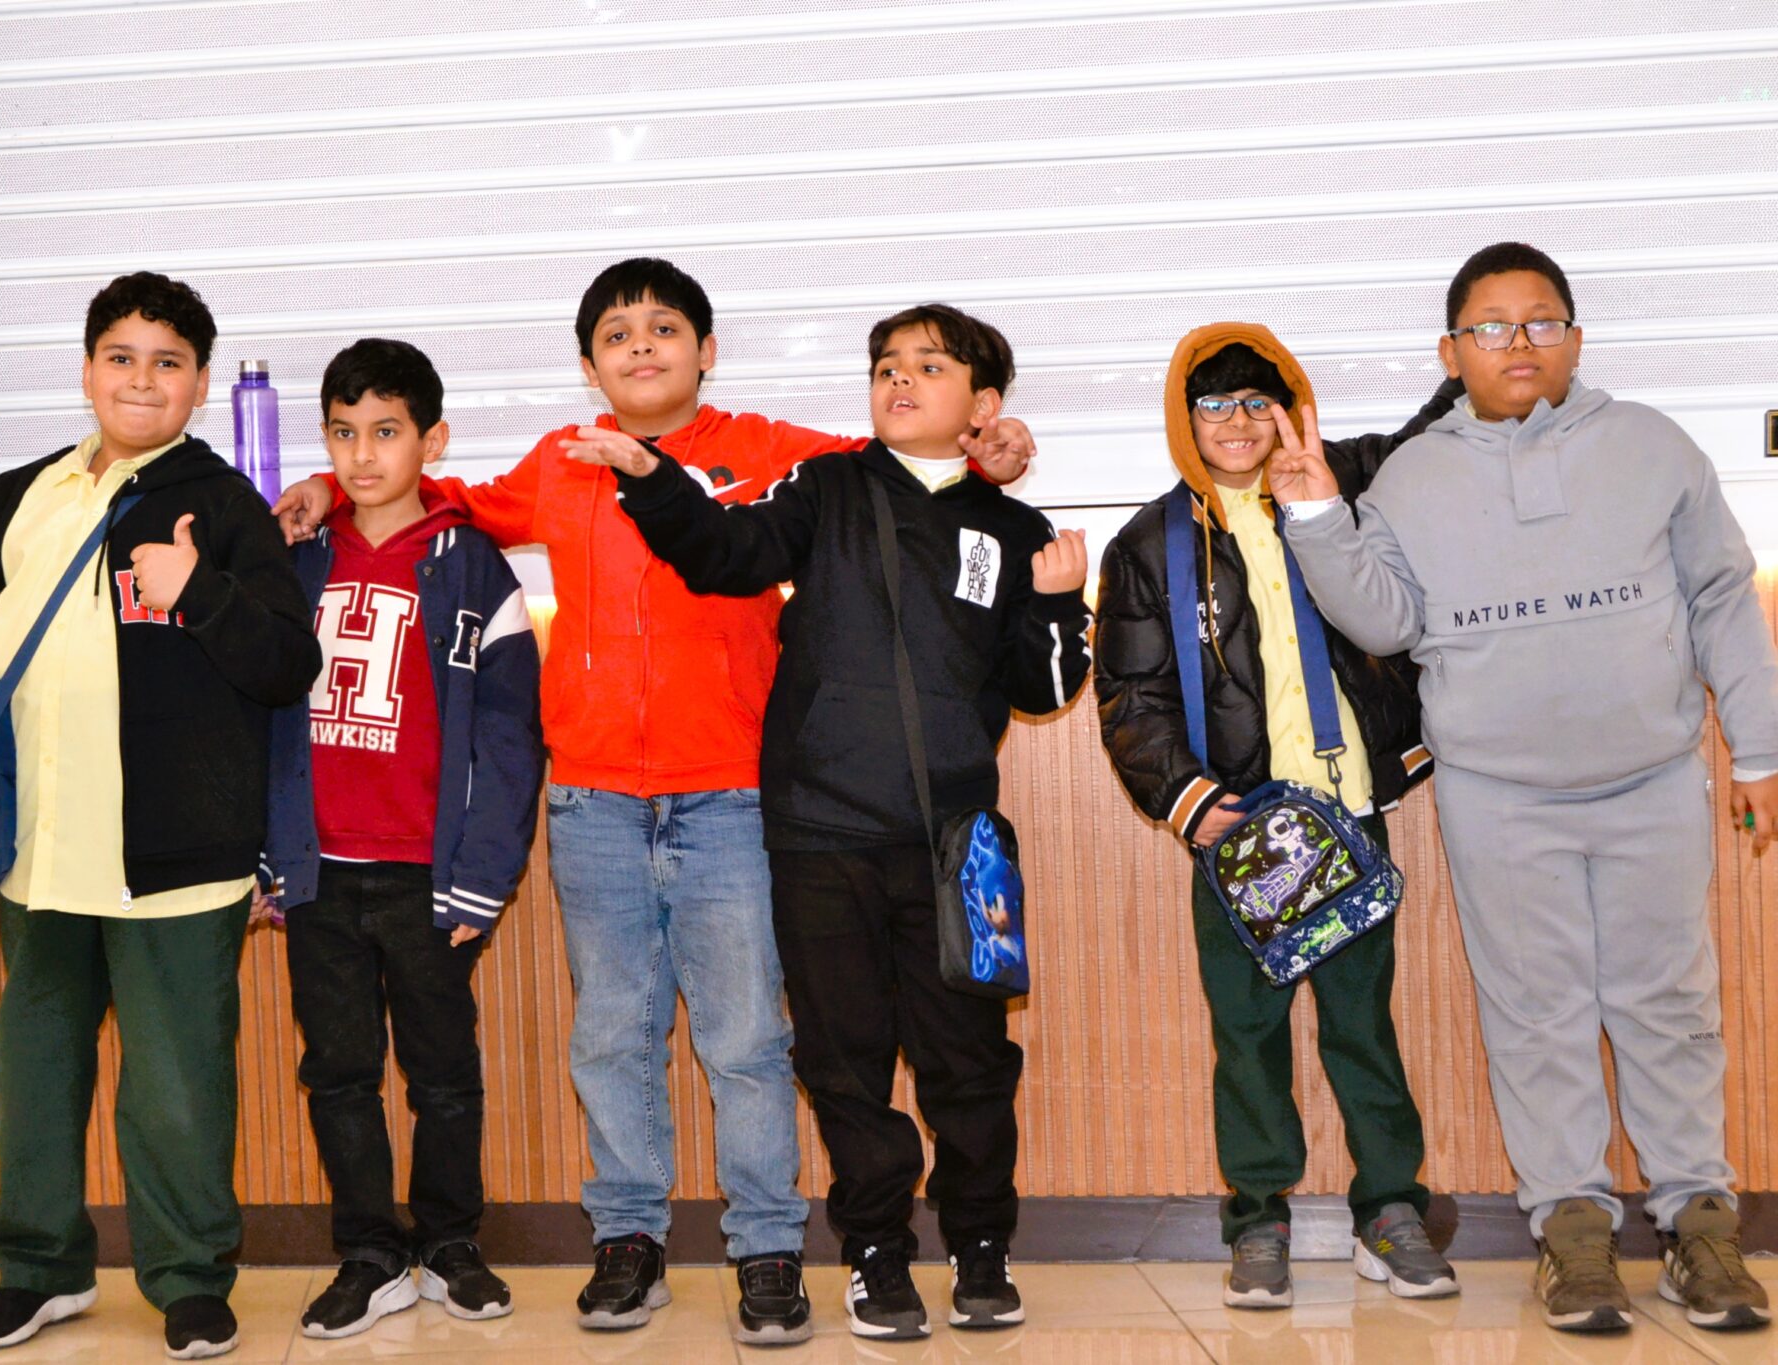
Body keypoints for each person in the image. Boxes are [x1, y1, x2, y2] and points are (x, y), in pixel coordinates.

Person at [270, 258, 1035, 1345]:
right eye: (616, 335)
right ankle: (628, 1241)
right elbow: (446, 498)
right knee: (612, 1037)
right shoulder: (563, 458)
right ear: (589, 367)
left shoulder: (772, 451)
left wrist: (994, 451)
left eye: (663, 328)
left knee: (747, 1040)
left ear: (705, 350)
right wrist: (322, 483)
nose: (640, 346)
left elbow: (905, 466)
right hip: (592, 800)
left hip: (732, 796)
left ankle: (766, 1247)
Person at [1277, 241, 1778, 1333]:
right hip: (1497, 794)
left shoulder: (1651, 445)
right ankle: (1572, 1232)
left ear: (1574, 339)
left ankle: (1699, 1226)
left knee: (1669, 1003)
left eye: (1541, 321)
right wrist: (1316, 516)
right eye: (1490, 326)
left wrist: (1757, 753)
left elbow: (1720, 599)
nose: (1518, 342)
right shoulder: (1412, 477)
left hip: (1651, 781)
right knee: (1535, 1012)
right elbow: (1384, 622)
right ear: (1450, 351)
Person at [565, 302, 1092, 1340]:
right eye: (887, 365)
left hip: (956, 848)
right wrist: (650, 478)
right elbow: (724, 553)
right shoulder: (828, 485)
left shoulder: (1013, 529)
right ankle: (876, 1253)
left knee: (970, 1062)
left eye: (929, 367)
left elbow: (1040, 688)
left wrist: (1059, 602)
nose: (900, 380)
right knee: (844, 1064)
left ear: (982, 403)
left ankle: (980, 1247)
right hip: (818, 836)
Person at [0, 272, 320, 1359]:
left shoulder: (222, 504)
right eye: (121, 357)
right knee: (34, 1072)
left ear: (199, 381)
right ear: (87, 368)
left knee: (177, 1089)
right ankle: (39, 1269)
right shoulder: (17, 496)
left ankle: (190, 1281)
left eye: (167, 362)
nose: (141, 380)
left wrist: (199, 590)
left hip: (175, 859)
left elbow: (286, 663)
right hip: (37, 852)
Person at [1094, 322, 1464, 1308]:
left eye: (1258, 400)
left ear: (1292, 408)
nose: (1236, 421)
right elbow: (1130, 694)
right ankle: (1256, 1218)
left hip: (1347, 813)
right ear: (1183, 420)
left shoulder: (1341, 485)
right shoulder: (1148, 544)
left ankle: (1390, 1209)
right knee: (1247, 1032)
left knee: (1362, 1024)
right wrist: (1187, 799)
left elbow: (1425, 439)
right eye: (1212, 403)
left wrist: (1462, 365)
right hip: (1241, 833)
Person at [257, 338, 541, 1339]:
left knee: (442, 1071)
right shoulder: (296, 558)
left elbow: (511, 737)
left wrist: (485, 873)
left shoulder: (473, 567)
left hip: (429, 873)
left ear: (433, 439)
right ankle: (371, 1251)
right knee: (337, 1070)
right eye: (343, 433)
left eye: (386, 432)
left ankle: (450, 1242)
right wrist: (268, 852)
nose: (363, 455)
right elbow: (254, 711)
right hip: (320, 873)